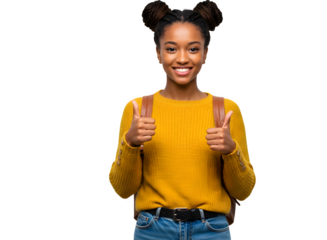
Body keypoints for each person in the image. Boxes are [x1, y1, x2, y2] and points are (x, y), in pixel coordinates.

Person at [106, 0, 258, 239]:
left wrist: (231, 151)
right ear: (157, 52)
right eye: (172, 48)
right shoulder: (136, 109)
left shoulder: (227, 110)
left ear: (206, 53)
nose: (183, 58)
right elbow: (122, 191)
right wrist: (131, 143)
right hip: (152, 230)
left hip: (212, 230)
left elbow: (245, 191)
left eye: (193, 49)